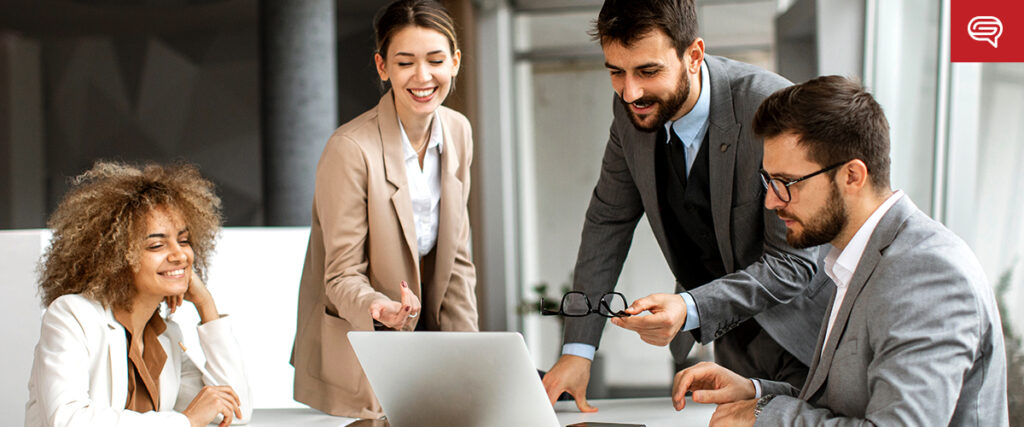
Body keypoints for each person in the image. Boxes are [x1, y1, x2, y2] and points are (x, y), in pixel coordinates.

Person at [671, 75, 1009, 426]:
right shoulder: (858, 260)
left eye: (786, 183)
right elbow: (851, 404)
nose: (771, 201)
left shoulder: (927, 272)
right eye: (768, 181)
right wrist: (756, 393)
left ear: (852, 176)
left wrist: (764, 416)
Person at [542, 0, 828, 411]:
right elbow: (608, 221)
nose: (630, 92)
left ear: (693, 55)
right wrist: (578, 350)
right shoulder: (630, 112)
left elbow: (794, 263)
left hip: (811, 343)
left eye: (648, 71)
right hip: (734, 351)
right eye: (615, 72)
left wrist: (690, 307)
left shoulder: (773, 108)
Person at [290, 0, 478, 419]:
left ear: (455, 62)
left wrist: (471, 364)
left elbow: (458, 263)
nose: (423, 76)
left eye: (435, 60)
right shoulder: (350, 149)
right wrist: (378, 307)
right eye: (405, 62)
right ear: (382, 66)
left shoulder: (459, 131)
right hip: (362, 353)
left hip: (428, 351)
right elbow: (340, 275)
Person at [25, 161, 252, 427]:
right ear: (117, 257)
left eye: (183, 240)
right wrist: (185, 422)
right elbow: (68, 420)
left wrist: (207, 307)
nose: (179, 255)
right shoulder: (71, 317)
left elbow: (235, 411)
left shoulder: (165, 335)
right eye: (157, 245)